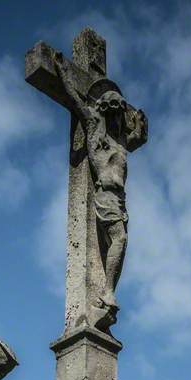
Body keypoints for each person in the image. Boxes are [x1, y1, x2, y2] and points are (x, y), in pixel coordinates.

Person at [54, 53, 130, 328]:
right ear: (104, 108)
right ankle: (108, 292)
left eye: (119, 111)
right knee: (119, 239)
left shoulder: (120, 141)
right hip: (105, 197)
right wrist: (63, 74)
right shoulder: (95, 131)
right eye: (111, 109)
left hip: (120, 201)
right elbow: (77, 102)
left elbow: (133, 134)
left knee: (121, 242)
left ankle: (108, 292)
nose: (116, 115)